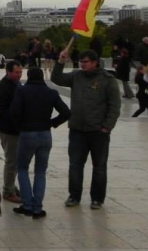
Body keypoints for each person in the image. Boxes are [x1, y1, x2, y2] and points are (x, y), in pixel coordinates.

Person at [52, 48, 121, 209]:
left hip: (98, 131)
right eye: (80, 62)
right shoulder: (76, 76)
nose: (82, 65)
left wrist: (107, 127)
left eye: (85, 62)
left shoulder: (107, 80)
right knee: (75, 165)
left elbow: (114, 106)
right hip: (77, 129)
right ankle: (74, 196)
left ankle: (97, 198)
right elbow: (57, 78)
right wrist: (60, 61)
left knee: (99, 166)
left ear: (95, 62)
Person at [9, 67, 71, 219]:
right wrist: (52, 123)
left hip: (27, 133)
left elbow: (14, 112)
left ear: (28, 76)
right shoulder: (51, 93)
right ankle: (37, 208)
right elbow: (66, 112)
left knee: (22, 169)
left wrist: (20, 126)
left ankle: (27, 205)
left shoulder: (22, 91)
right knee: (40, 172)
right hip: (45, 134)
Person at [0, 60, 23, 203]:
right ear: (8, 72)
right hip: (9, 129)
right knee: (12, 161)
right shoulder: (3, 87)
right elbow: (1, 110)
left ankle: (11, 185)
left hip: (16, 129)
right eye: (16, 72)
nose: (19, 75)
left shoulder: (16, 84)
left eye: (20, 72)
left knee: (16, 160)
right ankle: (8, 191)